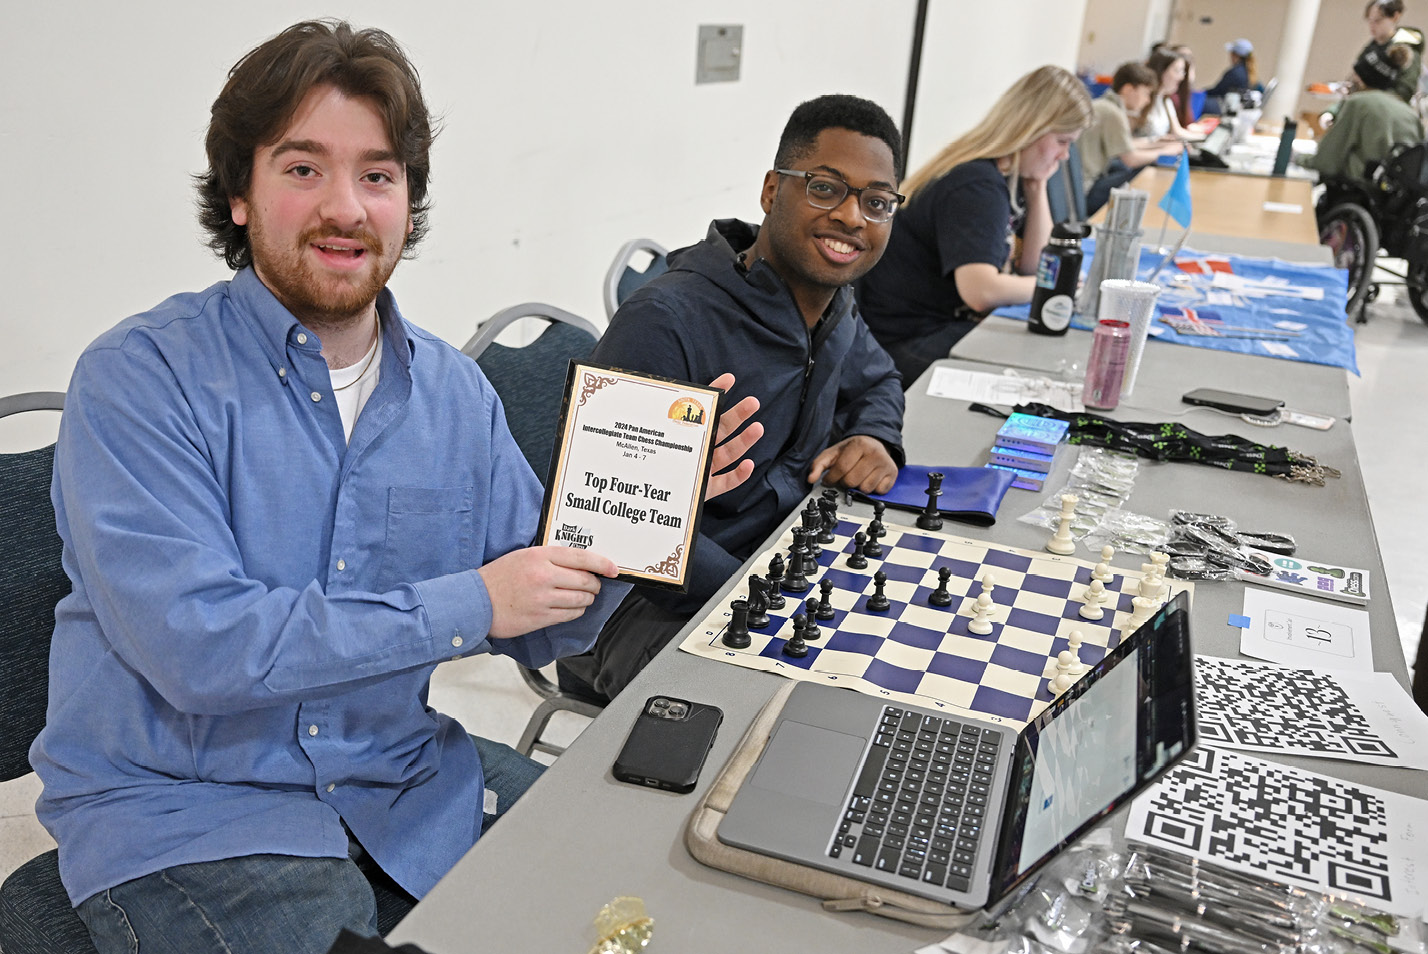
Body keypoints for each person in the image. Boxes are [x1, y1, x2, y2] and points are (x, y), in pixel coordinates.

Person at [30, 20, 760, 954]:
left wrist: (638, 524)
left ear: (408, 203)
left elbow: (544, 622)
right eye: (302, 169)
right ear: (240, 195)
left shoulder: (452, 392)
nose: (346, 207)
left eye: (377, 175)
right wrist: (471, 601)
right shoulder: (140, 379)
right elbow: (201, 649)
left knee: (642, 914)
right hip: (194, 815)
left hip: (402, 777)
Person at [562, 94, 908, 701]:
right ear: (773, 190)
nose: (853, 217)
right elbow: (609, 527)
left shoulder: (832, 304)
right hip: (636, 610)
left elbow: (878, 379)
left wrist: (875, 435)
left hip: (773, 561)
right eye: (826, 188)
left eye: (876, 202)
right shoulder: (666, 322)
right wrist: (763, 590)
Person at [857, 66, 1091, 384]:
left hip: (932, 325)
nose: (1065, 155)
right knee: (1044, 367)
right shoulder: (976, 185)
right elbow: (980, 291)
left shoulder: (1011, 177)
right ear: (1032, 128)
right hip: (905, 341)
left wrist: (1037, 190)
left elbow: (1035, 267)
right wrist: (1063, 288)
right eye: (1062, 141)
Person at [1299, 44, 1424, 183]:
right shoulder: (1409, 114)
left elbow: (1326, 162)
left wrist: (1295, 157)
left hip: (1355, 191)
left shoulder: (1358, 103)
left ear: (1360, 77)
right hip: (1391, 197)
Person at [1082, 62, 1184, 215]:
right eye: (1145, 93)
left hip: (1086, 183)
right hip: (1088, 188)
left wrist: (1155, 143)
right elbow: (1131, 159)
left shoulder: (1106, 106)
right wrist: (1165, 152)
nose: (1148, 100)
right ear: (1129, 89)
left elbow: (1125, 144)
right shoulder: (1112, 113)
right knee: (1142, 168)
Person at [1325, 2, 1426, 126]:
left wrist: (1370, 100)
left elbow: (1403, 93)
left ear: (1395, 17)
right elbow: (1354, 82)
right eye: (1370, 21)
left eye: (1378, 21)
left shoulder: (1407, 52)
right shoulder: (1371, 49)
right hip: (1361, 114)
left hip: (1385, 120)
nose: (1372, 26)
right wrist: (1334, 111)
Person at [1135, 51, 1195, 141]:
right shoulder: (1142, 99)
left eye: (1183, 72)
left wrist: (1206, 139)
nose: (1181, 77)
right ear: (1161, 70)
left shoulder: (1165, 100)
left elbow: (1177, 132)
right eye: (1177, 71)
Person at [1203, 39, 1257, 114]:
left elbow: (1218, 91)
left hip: (1227, 108)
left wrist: (1202, 92)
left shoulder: (1234, 73)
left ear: (1235, 55)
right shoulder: (1248, 72)